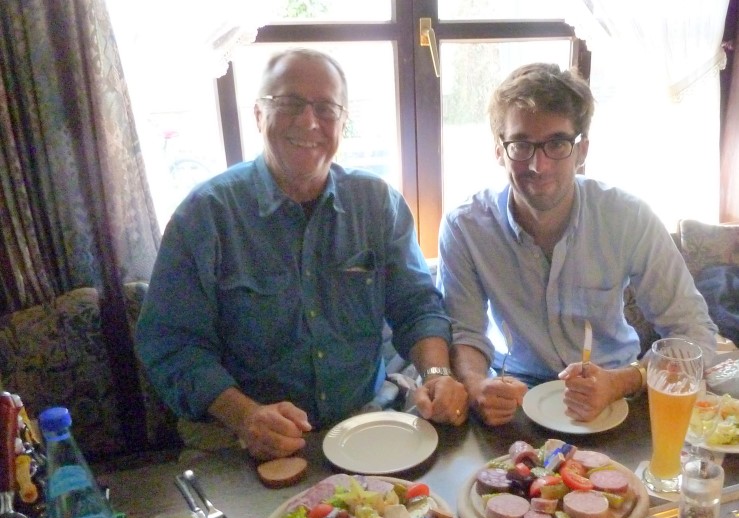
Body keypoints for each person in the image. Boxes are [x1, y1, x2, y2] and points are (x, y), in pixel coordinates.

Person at [136, 48, 468, 461]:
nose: (309, 122)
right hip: (240, 436)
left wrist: (437, 374)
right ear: (259, 115)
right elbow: (172, 344)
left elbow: (416, 306)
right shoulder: (204, 215)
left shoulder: (378, 204)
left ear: (343, 123)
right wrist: (245, 416)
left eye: (326, 108)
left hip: (366, 421)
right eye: (290, 103)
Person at [437, 62, 717, 426]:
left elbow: (694, 334)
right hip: (514, 401)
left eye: (557, 144)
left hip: (618, 395)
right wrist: (477, 385)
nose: (538, 166)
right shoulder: (465, 227)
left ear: (581, 151)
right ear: (499, 151)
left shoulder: (627, 217)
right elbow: (465, 333)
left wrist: (624, 381)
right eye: (521, 145)